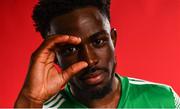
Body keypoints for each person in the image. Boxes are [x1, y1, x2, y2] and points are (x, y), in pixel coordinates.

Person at [14, 0, 180, 108]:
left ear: (113, 39)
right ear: (54, 56)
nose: (89, 60)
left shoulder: (164, 100)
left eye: (98, 42)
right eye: (70, 49)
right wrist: (31, 99)